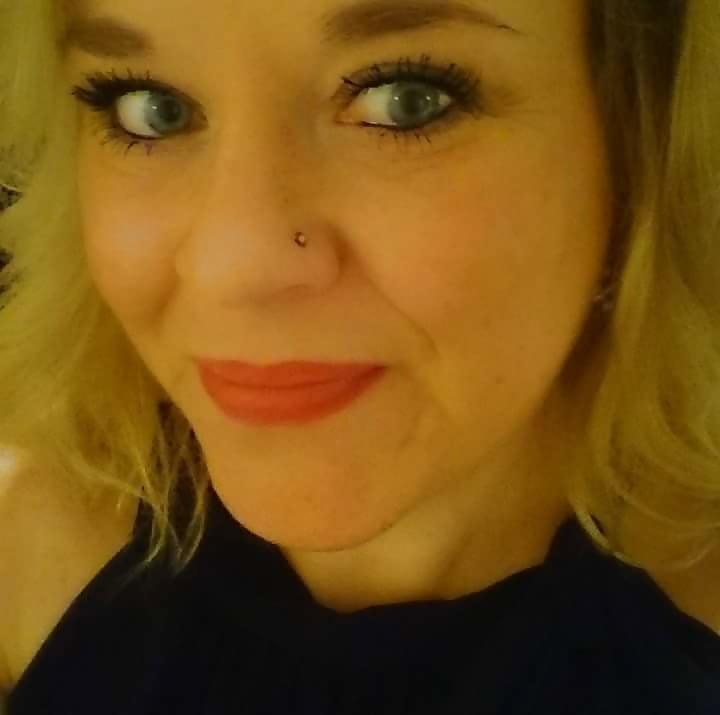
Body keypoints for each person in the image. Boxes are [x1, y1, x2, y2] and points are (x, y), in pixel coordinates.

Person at [1, 0, 719, 712]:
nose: (231, 265)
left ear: (639, 139)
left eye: (406, 101)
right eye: (151, 109)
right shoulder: (40, 552)